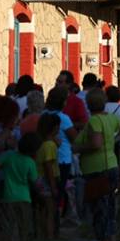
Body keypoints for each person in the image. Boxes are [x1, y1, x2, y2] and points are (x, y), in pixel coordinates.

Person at [74, 88, 120, 241]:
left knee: (100, 209)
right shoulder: (111, 118)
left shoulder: (94, 121)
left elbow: (96, 144)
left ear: (89, 104)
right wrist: (114, 140)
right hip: (111, 164)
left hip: (97, 169)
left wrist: (77, 148)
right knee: (110, 207)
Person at [42, 86, 79, 226]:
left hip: (47, 156)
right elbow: (74, 138)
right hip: (63, 158)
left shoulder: (43, 114)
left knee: (48, 191)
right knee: (59, 190)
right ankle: (57, 222)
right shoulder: (64, 118)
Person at [0, 133, 39, 241]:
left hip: (8, 197)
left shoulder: (9, 156)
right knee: (24, 229)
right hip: (25, 198)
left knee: (8, 228)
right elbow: (35, 182)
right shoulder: (30, 162)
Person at [35, 113, 60, 240]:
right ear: (55, 128)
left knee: (42, 210)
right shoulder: (50, 145)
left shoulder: (41, 143)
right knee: (50, 211)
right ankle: (49, 238)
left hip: (39, 179)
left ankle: (41, 236)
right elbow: (48, 166)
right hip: (46, 180)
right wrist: (53, 186)